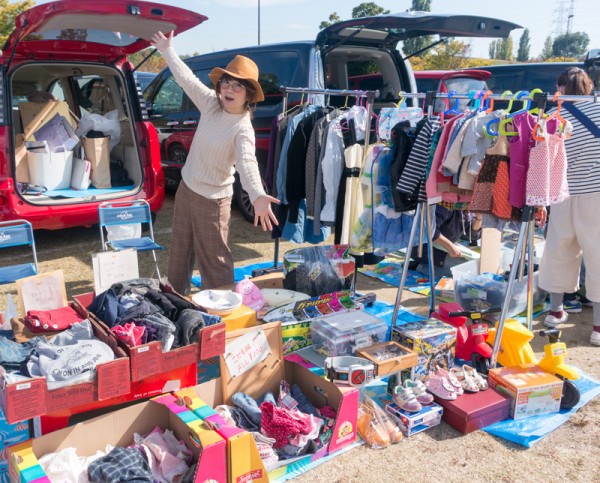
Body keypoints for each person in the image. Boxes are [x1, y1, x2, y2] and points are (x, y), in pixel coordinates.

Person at [151, 31, 279, 294]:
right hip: (187, 189)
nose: (228, 89)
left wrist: (256, 194)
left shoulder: (243, 128)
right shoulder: (211, 103)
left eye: (237, 86)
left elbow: (247, 163)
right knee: (179, 252)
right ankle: (176, 301)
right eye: (226, 82)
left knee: (215, 261)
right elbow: (186, 79)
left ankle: (222, 314)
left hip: (213, 200)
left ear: (248, 95)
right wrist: (168, 50)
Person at [538, 67, 600, 347]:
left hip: (561, 193)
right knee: (597, 258)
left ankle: (555, 311)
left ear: (561, 88)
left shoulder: (552, 118)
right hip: (596, 195)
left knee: (559, 251)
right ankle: (598, 327)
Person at [409, 206, 480, 277]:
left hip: (444, 248)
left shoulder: (466, 209)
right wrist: (450, 246)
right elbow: (430, 231)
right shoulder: (446, 205)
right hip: (423, 248)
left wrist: (479, 218)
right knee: (471, 270)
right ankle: (421, 266)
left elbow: (471, 235)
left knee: (479, 266)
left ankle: (430, 264)